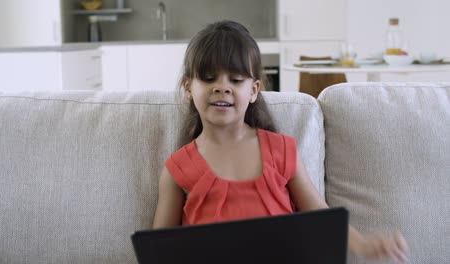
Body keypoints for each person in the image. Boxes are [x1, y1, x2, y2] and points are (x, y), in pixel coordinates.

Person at [153, 20, 409, 263]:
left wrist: (363, 245)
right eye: (209, 78)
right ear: (188, 88)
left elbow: (320, 214)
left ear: (254, 90)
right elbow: (158, 249)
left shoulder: (281, 150)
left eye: (236, 80)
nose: (222, 87)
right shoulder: (177, 169)